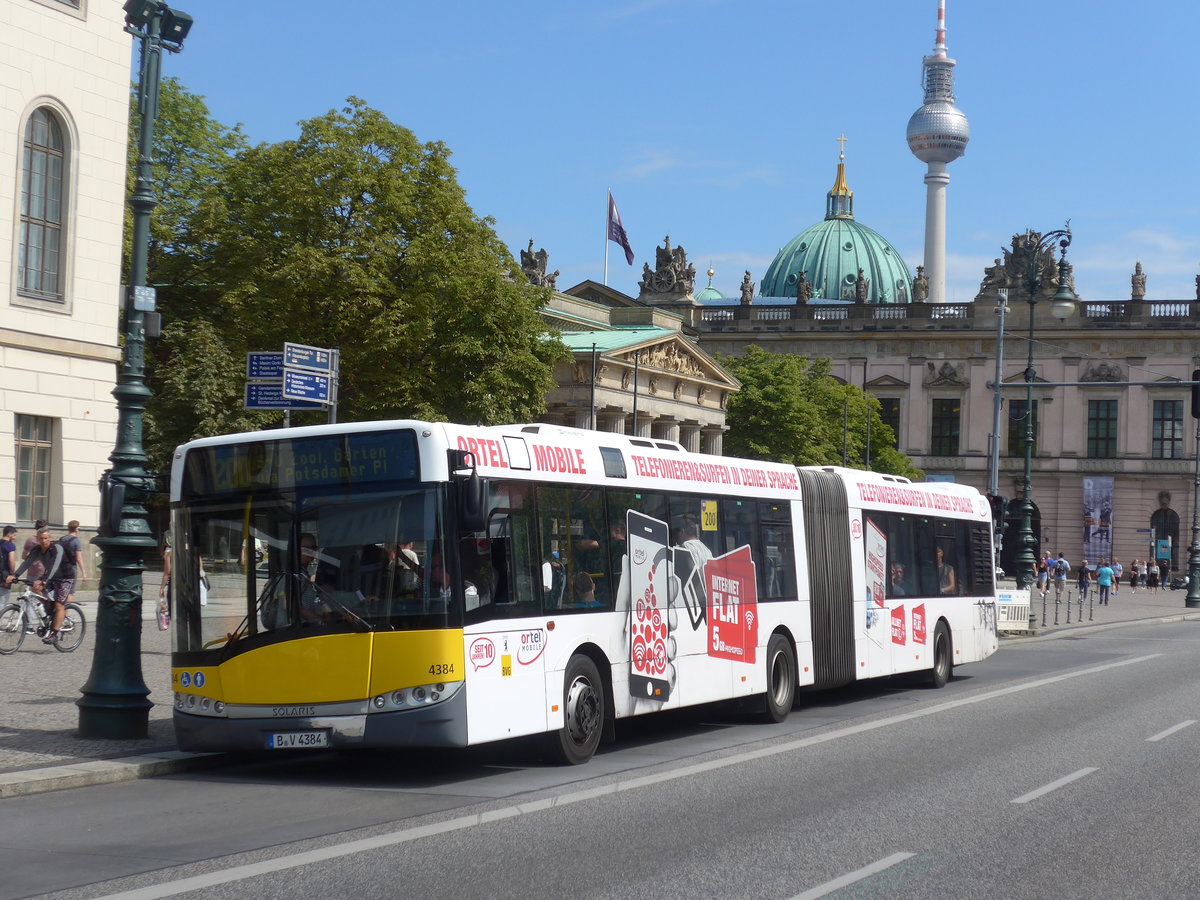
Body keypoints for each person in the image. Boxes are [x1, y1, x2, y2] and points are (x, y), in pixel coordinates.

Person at [5, 528, 70, 643]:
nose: (43, 541)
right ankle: (48, 613)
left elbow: (55, 565)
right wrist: (15, 575)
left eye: (46, 538)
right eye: (41, 538)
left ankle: (54, 634)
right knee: (35, 589)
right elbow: (27, 562)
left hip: (65, 577)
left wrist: (44, 580)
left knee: (59, 605)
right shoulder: (37, 549)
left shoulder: (56, 548)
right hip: (50, 576)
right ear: (37, 539)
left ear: (49, 538)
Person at [0, 526, 16, 608]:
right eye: (14, 534)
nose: (15, 536)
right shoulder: (10, 545)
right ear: (9, 534)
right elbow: (11, 560)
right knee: (3, 600)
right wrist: (12, 573)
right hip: (4, 575)